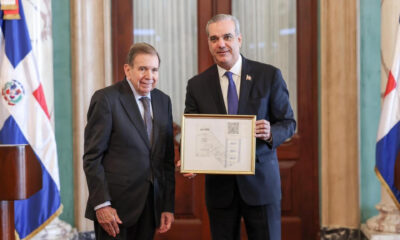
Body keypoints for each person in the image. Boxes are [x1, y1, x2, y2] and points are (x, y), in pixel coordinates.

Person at [183, 14, 296, 240]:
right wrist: (189, 158)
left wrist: (271, 132)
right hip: (220, 191)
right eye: (214, 39)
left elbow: (288, 123)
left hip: (261, 185)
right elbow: (192, 132)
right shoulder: (197, 85)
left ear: (239, 39)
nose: (221, 44)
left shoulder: (268, 76)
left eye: (227, 37)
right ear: (209, 43)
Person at [83, 42, 175, 240]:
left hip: (150, 207)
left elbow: (166, 160)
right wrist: (102, 204)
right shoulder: (106, 99)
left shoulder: (163, 101)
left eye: (154, 69)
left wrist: (167, 205)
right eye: (142, 69)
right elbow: (92, 157)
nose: (149, 76)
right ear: (128, 69)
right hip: (115, 210)